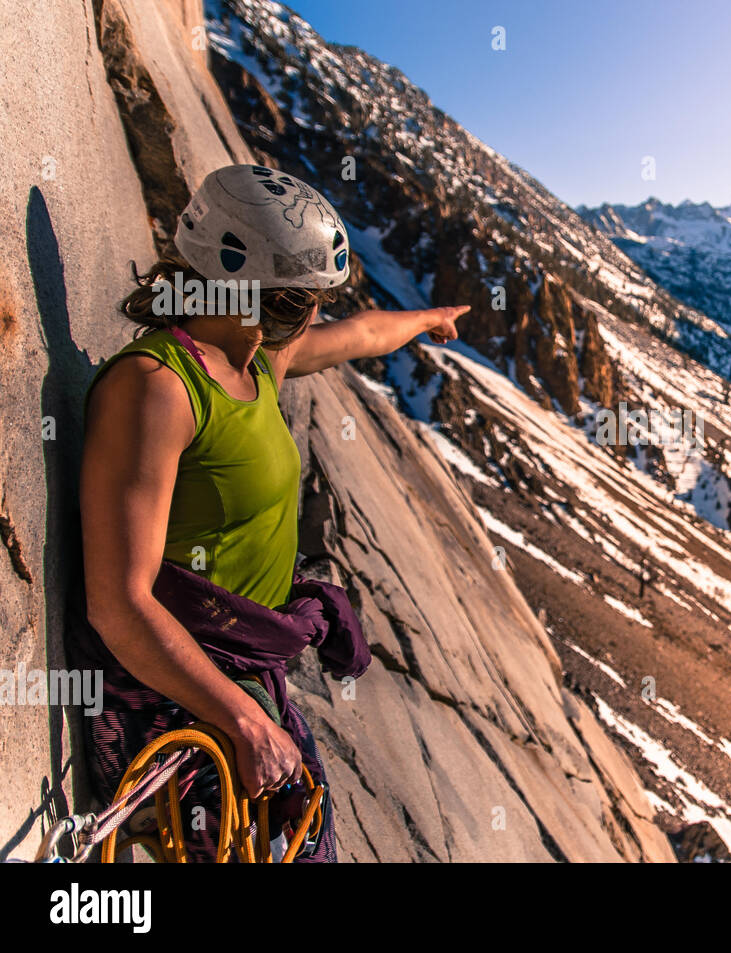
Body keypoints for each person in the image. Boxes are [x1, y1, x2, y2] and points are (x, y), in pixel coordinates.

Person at [76, 164, 468, 860]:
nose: (308, 319)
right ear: (231, 285)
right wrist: (241, 720)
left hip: (240, 682)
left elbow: (360, 335)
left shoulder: (254, 361)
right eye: (293, 303)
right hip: (175, 696)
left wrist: (427, 320)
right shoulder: (158, 389)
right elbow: (119, 602)